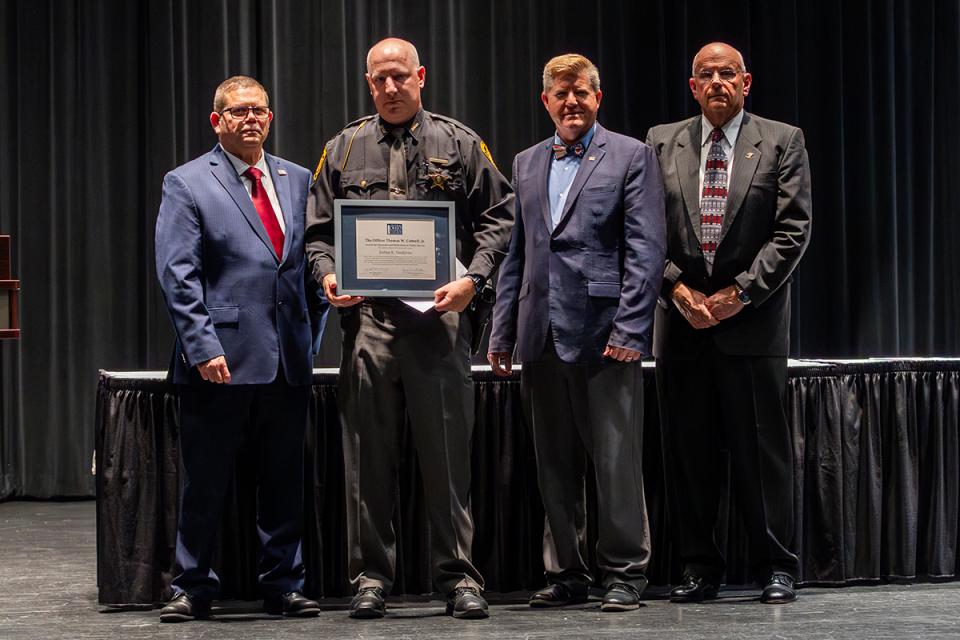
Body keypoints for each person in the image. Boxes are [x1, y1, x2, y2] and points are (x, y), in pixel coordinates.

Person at [304, 38, 514, 620]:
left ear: (420, 76)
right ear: (368, 83)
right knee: (368, 459)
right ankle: (371, 576)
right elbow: (317, 234)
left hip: (440, 326)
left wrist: (474, 279)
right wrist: (326, 277)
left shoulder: (461, 143)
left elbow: (500, 221)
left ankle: (458, 578)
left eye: (401, 76)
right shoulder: (342, 149)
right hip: (369, 324)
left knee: (449, 462)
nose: (391, 88)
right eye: (380, 80)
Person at [487, 53, 666, 612]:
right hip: (540, 333)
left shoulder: (632, 156)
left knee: (615, 462)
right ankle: (566, 571)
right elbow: (516, 254)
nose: (571, 103)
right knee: (555, 466)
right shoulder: (525, 161)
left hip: (603, 335)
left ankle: (624, 573)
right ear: (546, 101)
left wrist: (632, 328)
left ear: (597, 97)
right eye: (560, 94)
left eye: (581, 93)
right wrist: (501, 334)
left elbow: (646, 249)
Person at [645, 42, 813, 604]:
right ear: (692, 87)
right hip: (682, 322)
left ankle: (776, 564)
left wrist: (740, 294)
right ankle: (699, 566)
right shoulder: (660, 141)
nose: (717, 81)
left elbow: (792, 231)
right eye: (706, 75)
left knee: (761, 452)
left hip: (753, 324)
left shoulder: (783, 140)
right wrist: (676, 286)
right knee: (688, 452)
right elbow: (644, 230)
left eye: (727, 73)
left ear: (746, 82)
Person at [155, 75, 321, 622]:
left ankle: (283, 583)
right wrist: (201, 346)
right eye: (239, 111)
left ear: (270, 118)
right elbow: (179, 275)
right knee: (205, 482)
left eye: (260, 111)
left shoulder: (298, 180)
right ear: (217, 120)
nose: (251, 119)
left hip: (287, 362)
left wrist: (313, 331)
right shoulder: (186, 183)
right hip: (217, 363)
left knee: (283, 482)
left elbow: (309, 264)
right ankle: (191, 584)